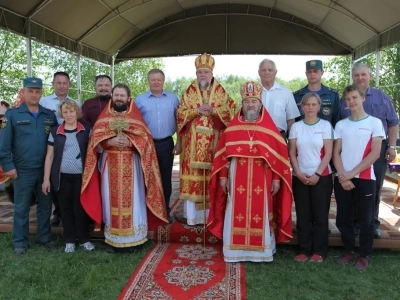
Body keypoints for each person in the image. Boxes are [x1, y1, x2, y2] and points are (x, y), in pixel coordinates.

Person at [208, 81, 293, 262]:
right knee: (234, 210)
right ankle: (234, 251)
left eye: (254, 101)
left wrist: (277, 179)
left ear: (260, 104)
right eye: (247, 102)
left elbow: (277, 158)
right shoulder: (232, 129)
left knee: (261, 211)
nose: (251, 105)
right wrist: (223, 177)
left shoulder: (269, 130)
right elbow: (224, 157)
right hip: (236, 176)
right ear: (242, 104)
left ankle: (261, 252)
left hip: (263, 178)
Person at [81, 84, 168, 251]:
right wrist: (109, 141)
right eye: (116, 95)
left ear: (129, 98)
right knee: (109, 199)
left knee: (134, 201)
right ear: (112, 97)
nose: (119, 98)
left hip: (132, 165)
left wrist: (131, 142)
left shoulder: (135, 117)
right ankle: (114, 239)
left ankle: (136, 238)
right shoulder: (104, 118)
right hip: (110, 164)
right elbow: (95, 142)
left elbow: (146, 141)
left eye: (122, 95)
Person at [340, 63, 399, 239]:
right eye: (356, 75)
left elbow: (393, 122)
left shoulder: (381, 96)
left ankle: (371, 225)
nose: (360, 78)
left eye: (363, 75)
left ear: (370, 76)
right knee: (352, 188)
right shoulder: (346, 98)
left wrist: (392, 146)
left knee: (373, 188)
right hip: (351, 151)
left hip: (376, 151)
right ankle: (353, 225)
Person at [0, 77, 58, 255]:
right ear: (23, 92)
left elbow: (56, 142)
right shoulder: (12, 115)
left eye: (37, 91)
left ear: (41, 93)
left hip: (44, 169)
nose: (34, 94)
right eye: (30, 91)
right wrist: (8, 166)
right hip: (22, 169)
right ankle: (20, 241)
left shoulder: (49, 115)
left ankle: (44, 236)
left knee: (45, 205)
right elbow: (3, 144)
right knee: (21, 206)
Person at [177, 53, 236, 226]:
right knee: (194, 179)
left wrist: (214, 110)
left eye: (206, 72)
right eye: (200, 72)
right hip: (192, 146)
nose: (203, 75)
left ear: (211, 74)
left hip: (214, 145)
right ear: (196, 74)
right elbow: (180, 113)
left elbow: (231, 109)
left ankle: (211, 216)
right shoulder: (189, 92)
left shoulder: (220, 91)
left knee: (213, 178)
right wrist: (196, 111)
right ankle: (193, 218)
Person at [334, 84, 385, 271]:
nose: (351, 102)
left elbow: (375, 153)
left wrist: (351, 174)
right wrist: (343, 176)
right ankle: (348, 250)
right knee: (343, 217)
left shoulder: (375, 123)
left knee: (366, 219)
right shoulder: (341, 124)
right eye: (348, 99)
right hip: (343, 178)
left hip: (365, 178)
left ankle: (364, 254)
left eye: (354, 97)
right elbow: (336, 153)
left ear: (363, 98)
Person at [42, 100, 94, 253]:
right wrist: (46, 179)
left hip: (81, 177)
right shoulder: (55, 131)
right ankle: (69, 240)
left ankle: (84, 239)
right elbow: (49, 157)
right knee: (65, 209)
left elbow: (94, 152)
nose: (69, 114)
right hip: (61, 177)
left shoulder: (86, 130)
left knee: (80, 209)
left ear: (77, 112)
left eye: (72, 111)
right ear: (61, 114)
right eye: (66, 112)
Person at [289, 92, 335, 262]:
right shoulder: (296, 127)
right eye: (307, 104)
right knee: (303, 214)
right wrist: (298, 173)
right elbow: (292, 152)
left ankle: (319, 251)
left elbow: (328, 152)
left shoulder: (325, 125)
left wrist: (317, 174)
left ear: (319, 107)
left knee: (320, 215)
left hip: (321, 176)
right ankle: (304, 249)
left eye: (314, 104)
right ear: (302, 107)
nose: (310, 107)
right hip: (300, 176)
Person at [135, 69, 181, 222]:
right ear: (148, 81)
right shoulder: (140, 100)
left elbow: (180, 123)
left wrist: (179, 142)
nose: (156, 82)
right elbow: (134, 124)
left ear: (163, 81)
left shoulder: (173, 99)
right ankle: (148, 212)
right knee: (147, 178)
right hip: (146, 145)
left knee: (165, 179)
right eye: (153, 79)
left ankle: (165, 210)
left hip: (167, 144)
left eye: (159, 80)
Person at [40, 71, 80, 226]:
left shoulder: (76, 103)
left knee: (64, 180)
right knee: (53, 179)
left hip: (69, 146)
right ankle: (57, 213)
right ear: (53, 84)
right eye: (59, 83)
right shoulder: (44, 102)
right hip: (50, 143)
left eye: (65, 83)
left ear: (69, 85)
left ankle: (69, 215)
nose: (62, 86)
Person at [258, 58, 300, 137]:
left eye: (270, 70)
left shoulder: (286, 92)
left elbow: (291, 119)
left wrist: (291, 141)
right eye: (263, 70)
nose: (267, 72)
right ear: (259, 73)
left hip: (279, 136)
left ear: (275, 72)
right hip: (257, 136)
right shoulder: (253, 92)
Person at [293, 60, 340, 127]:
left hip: (326, 135)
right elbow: (294, 120)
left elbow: (337, 120)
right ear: (306, 73)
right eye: (309, 72)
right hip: (304, 135)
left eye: (315, 71)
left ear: (322, 72)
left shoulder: (332, 95)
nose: (312, 74)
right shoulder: (297, 96)